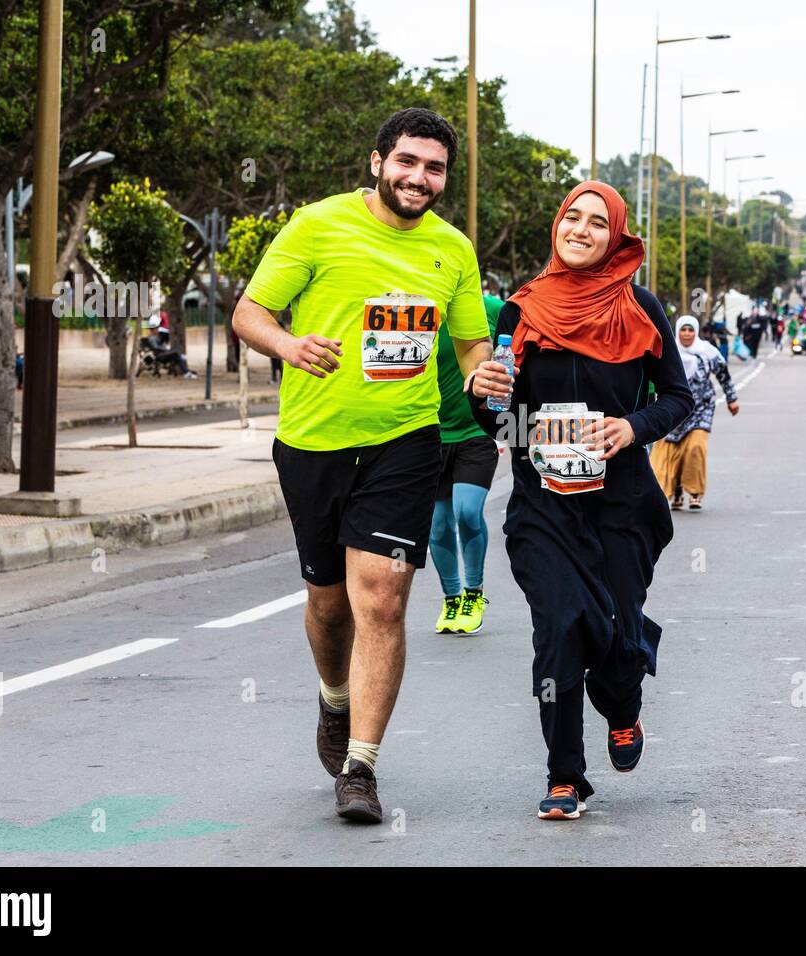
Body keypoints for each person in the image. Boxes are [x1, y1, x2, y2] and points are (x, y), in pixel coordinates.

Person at [233, 108, 493, 823]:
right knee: (327, 602)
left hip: (406, 442)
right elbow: (249, 312)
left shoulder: (453, 250)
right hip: (314, 443)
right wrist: (287, 346)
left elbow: (471, 342)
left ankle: (361, 768)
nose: (419, 178)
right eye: (407, 162)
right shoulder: (317, 225)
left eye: (434, 167)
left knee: (381, 598)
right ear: (377, 162)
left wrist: (482, 373)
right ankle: (334, 698)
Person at [466, 181, 692, 821]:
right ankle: (564, 774)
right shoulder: (520, 311)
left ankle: (623, 706)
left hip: (622, 506)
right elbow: (498, 422)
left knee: (617, 637)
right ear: (557, 227)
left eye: (599, 222)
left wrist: (631, 428)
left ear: (616, 236)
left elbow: (677, 399)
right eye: (573, 217)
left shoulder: (642, 308)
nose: (583, 229)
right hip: (544, 508)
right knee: (560, 629)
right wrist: (482, 396)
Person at [427, 283, 501, 635]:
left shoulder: (489, 307)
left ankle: (474, 593)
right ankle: (452, 598)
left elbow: (524, 337)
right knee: (438, 524)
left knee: (467, 511)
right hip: (429, 433)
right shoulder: (420, 311)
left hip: (475, 432)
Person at [650, 316, 740, 511]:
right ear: (678, 331)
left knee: (695, 448)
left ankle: (696, 492)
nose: (687, 334)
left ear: (696, 332)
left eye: (691, 330)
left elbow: (723, 374)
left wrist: (732, 399)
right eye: (683, 330)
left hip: (702, 409)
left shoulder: (707, 352)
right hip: (673, 410)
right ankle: (676, 491)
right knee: (669, 452)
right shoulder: (667, 351)